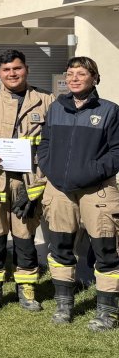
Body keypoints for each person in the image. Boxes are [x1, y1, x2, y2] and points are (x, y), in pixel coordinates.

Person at [0, 48, 55, 312]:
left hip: (29, 183)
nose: (12, 74)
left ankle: (26, 288)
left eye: (17, 68)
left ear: (26, 69)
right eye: (6, 70)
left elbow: (53, 145)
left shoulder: (46, 100)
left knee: (25, 239)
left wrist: (38, 185)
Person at [37, 56, 119, 331]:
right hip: (59, 190)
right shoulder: (56, 108)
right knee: (60, 247)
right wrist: (50, 168)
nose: (73, 78)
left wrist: (91, 172)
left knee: (106, 250)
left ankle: (107, 312)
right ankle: (64, 307)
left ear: (94, 78)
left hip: (98, 190)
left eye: (81, 73)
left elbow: (116, 152)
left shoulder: (109, 110)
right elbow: (45, 142)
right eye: (70, 73)